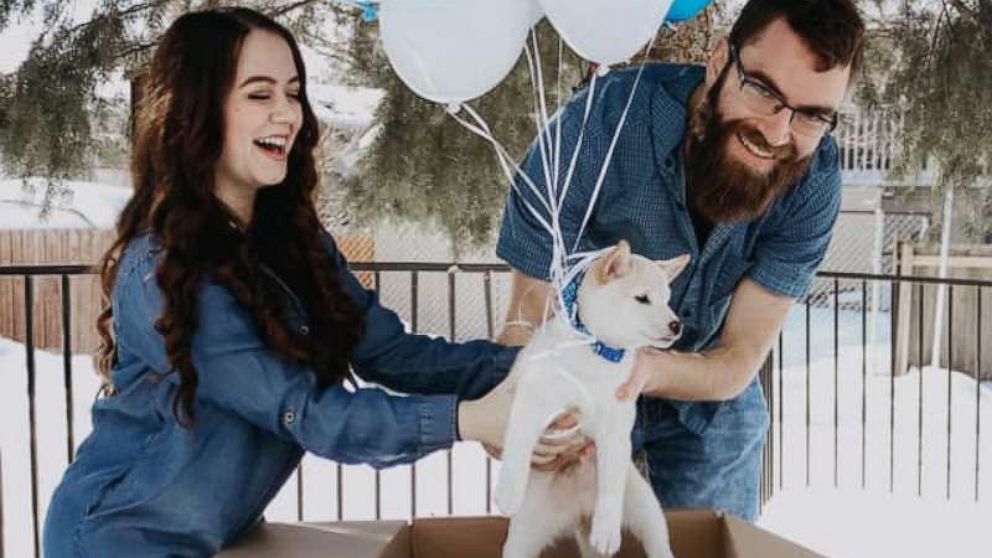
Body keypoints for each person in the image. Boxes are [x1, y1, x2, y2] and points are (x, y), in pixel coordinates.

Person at [43, 8, 584, 557]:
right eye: (259, 95)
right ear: (198, 111)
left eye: (293, 93)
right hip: (112, 539)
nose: (287, 114)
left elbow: (393, 353)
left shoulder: (295, 246)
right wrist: (469, 420)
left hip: (215, 537)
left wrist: (541, 366)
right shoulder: (162, 270)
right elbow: (305, 411)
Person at [496, 0, 865, 521]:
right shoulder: (600, 122)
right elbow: (524, 313)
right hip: (578, 369)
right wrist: (519, 405)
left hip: (704, 379)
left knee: (711, 528)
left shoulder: (815, 182)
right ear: (719, 62)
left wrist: (643, 370)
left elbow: (739, 357)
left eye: (811, 115)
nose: (779, 133)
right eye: (763, 91)